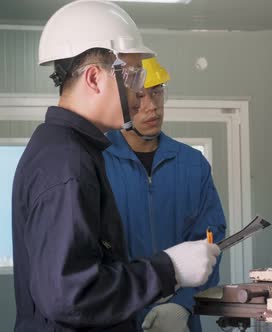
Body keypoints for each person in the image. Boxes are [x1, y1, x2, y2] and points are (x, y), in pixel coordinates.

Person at [11, 1, 219, 330]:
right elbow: (70, 295)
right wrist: (168, 270)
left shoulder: (71, 151)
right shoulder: (67, 163)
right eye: (133, 76)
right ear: (94, 79)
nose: (140, 95)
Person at [103, 56, 226, 332]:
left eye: (157, 92)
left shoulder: (193, 165)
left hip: (179, 321)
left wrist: (182, 304)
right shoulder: (97, 162)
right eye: (140, 95)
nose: (152, 106)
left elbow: (210, 242)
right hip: (116, 319)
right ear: (123, 101)